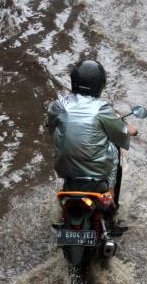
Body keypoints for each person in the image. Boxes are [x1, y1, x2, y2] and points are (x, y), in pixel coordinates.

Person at [46, 59, 138, 202]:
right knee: (116, 152)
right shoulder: (101, 108)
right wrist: (131, 130)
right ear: (99, 85)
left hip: (64, 169)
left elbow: (51, 127)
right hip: (96, 173)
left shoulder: (60, 105)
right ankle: (110, 199)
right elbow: (120, 134)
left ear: (74, 81)